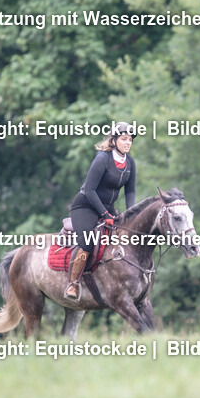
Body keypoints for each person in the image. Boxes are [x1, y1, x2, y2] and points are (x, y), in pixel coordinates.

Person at [65, 122, 137, 299]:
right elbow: (90, 190)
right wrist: (105, 215)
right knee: (88, 242)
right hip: (85, 206)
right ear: (114, 140)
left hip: (108, 209)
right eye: (124, 139)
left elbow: (130, 191)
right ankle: (73, 284)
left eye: (130, 140)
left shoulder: (130, 163)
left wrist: (131, 214)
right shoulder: (102, 159)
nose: (128, 143)